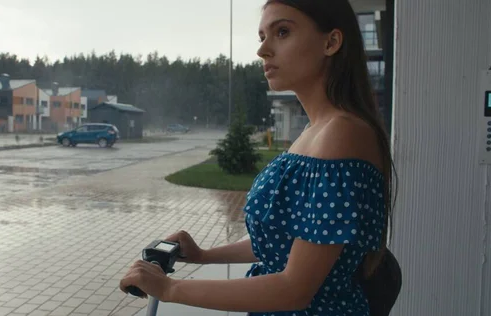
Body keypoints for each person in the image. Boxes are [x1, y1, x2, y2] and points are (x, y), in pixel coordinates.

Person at [119, 0, 399, 315]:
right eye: (261, 37)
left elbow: (294, 290)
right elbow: (285, 245)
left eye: (282, 32)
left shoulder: (341, 135)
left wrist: (170, 288)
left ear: (331, 42)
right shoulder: (314, 132)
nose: (263, 50)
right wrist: (203, 255)